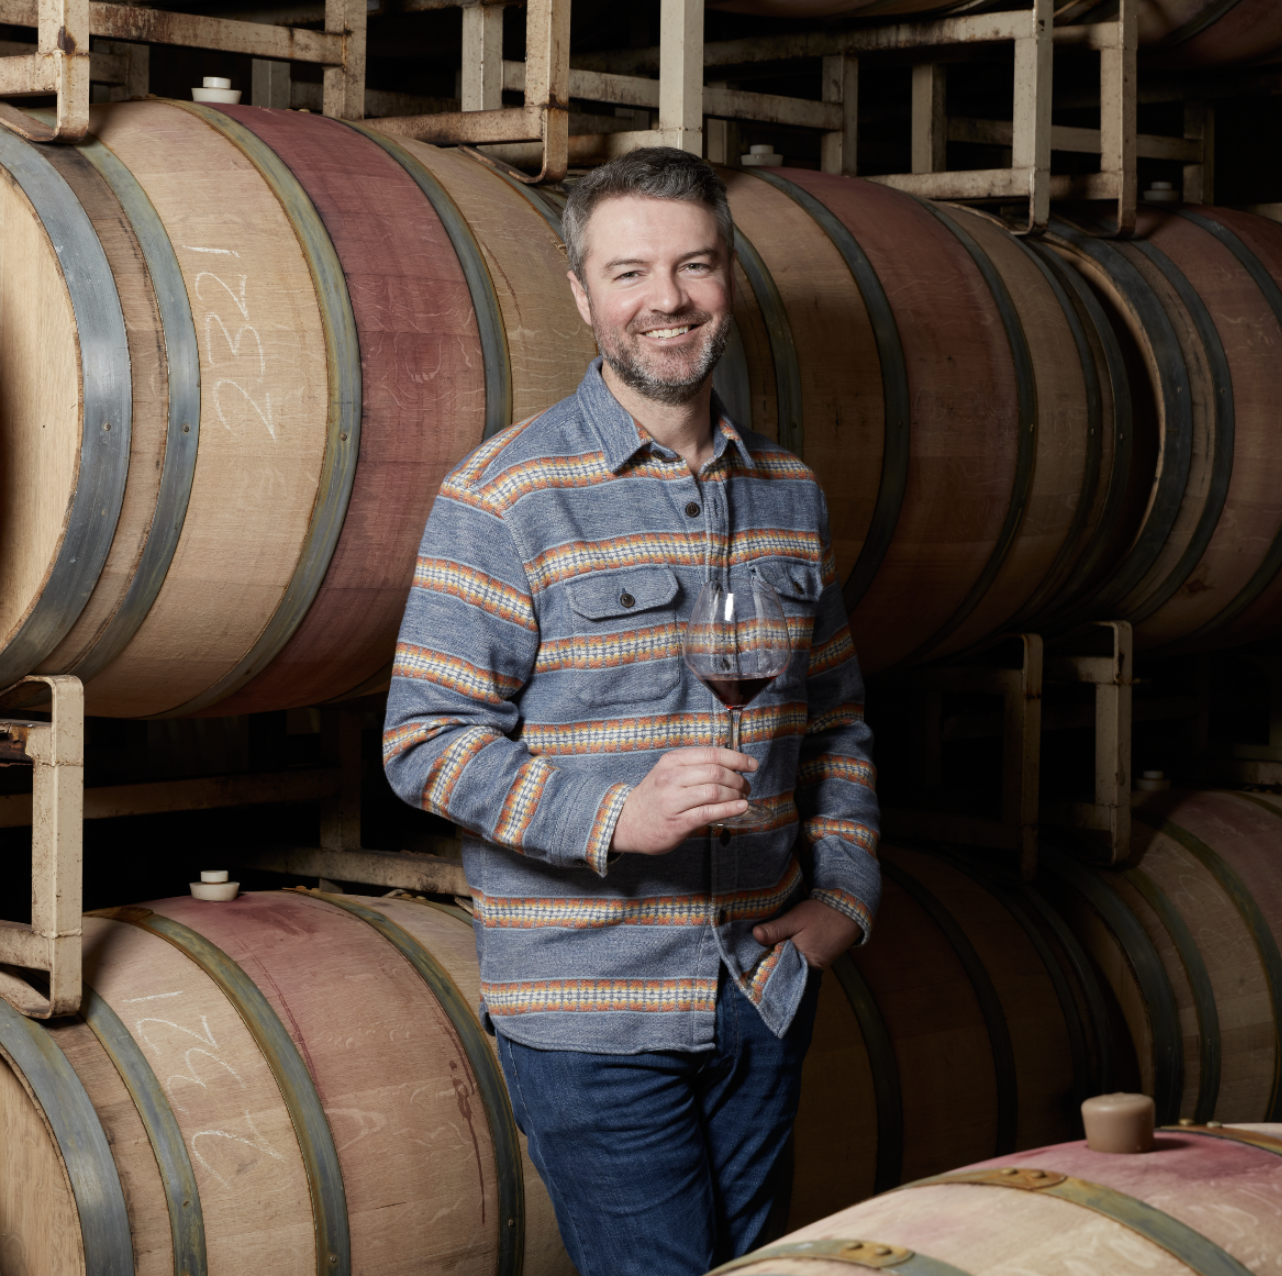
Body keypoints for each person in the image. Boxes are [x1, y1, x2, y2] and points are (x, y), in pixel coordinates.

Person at [383, 147, 880, 1276]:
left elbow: (839, 720)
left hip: (759, 988)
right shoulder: (504, 495)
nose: (665, 298)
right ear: (581, 295)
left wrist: (846, 895)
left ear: (728, 279)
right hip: (592, 1011)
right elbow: (423, 742)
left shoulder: (789, 494)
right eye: (629, 273)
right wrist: (613, 816)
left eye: (692, 265)